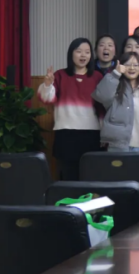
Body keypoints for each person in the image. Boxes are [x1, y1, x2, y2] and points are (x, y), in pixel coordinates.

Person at [37, 38, 104, 180]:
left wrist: (104, 132)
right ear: (71, 54)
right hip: (66, 133)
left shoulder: (97, 77)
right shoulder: (60, 75)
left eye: (87, 52)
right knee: (68, 175)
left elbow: (102, 107)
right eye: (79, 51)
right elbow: (47, 99)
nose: (83, 55)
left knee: (90, 175)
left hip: (91, 133)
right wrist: (47, 85)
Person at [94, 52, 139, 156]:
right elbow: (101, 96)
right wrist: (115, 74)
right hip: (118, 146)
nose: (132, 68)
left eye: (136, 65)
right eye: (127, 64)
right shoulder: (115, 87)